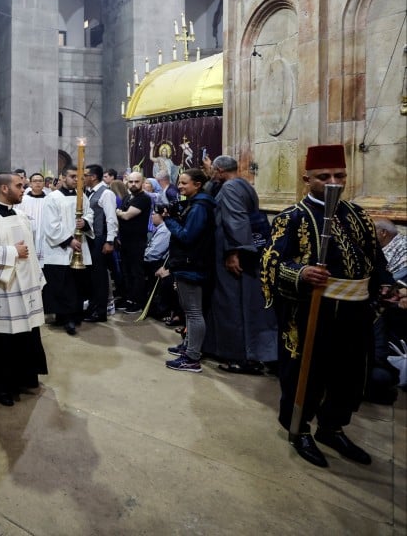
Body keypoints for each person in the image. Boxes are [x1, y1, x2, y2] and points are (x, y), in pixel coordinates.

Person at [261, 144, 393, 468]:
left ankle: (332, 427)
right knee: (310, 374)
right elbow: (270, 262)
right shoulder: (292, 218)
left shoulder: (359, 215)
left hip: (355, 310)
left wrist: (386, 283)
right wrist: (302, 272)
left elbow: (374, 257)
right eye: (324, 176)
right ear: (307, 178)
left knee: (349, 375)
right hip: (313, 311)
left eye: (340, 175)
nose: (334, 181)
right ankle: (300, 427)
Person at [0, 173, 48, 406]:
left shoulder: (21, 215)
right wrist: (12, 252)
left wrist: (37, 278)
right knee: (0, 341)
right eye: (19, 185)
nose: (23, 188)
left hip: (24, 287)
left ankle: (23, 378)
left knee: (24, 334)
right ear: (4, 188)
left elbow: (30, 252)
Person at [204, 155, 276, 375]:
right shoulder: (245, 184)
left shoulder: (229, 189)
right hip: (242, 250)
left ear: (219, 170)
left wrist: (234, 252)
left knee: (232, 304)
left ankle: (239, 356)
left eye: (213, 171)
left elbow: (235, 221)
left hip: (232, 254)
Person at [160, 168, 216, 373]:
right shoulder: (195, 204)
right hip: (188, 263)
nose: (180, 186)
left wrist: (169, 220)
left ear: (197, 185)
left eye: (184, 183)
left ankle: (192, 357)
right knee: (189, 310)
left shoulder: (200, 207)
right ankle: (188, 347)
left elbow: (187, 236)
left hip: (192, 263)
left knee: (193, 312)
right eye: (179, 182)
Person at [40, 165, 93, 335]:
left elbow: (90, 213)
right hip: (59, 249)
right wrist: (69, 241)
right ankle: (62, 316)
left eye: (79, 177)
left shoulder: (82, 196)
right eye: (72, 176)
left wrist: (85, 222)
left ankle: (73, 316)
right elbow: (50, 224)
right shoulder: (52, 198)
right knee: (60, 284)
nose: (76, 180)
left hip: (80, 247)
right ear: (62, 177)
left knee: (76, 284)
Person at [81, 164, 118, 322]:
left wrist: (109, 241)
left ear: (93, 177)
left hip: (101, 238)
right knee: (92, 276)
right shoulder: (89, 192)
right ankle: (93, 307)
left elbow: (111, 219)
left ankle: (100, 311)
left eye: (85, 175)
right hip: (91, 238)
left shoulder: (106, 193)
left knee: (100, 276)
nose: (83, 178)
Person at [115, 172, 153, 314]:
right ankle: (128, 298)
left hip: (137, 241)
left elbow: (126, 215)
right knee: (126, 271)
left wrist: (118, 212)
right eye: (130, 182)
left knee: (136, 272)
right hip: (125, 240)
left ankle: (137, 301)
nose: (133, 184)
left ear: (142, 182)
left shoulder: (143, 198)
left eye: (136, 181)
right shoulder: (127, 196)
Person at [18, 173, 49, 268]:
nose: (38, 183)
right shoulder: (22, 200)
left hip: (44, 235)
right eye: (35, 181)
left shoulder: (49, 199)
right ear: (30, 183)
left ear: (44, 183)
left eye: (40, 181)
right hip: (27, 235)